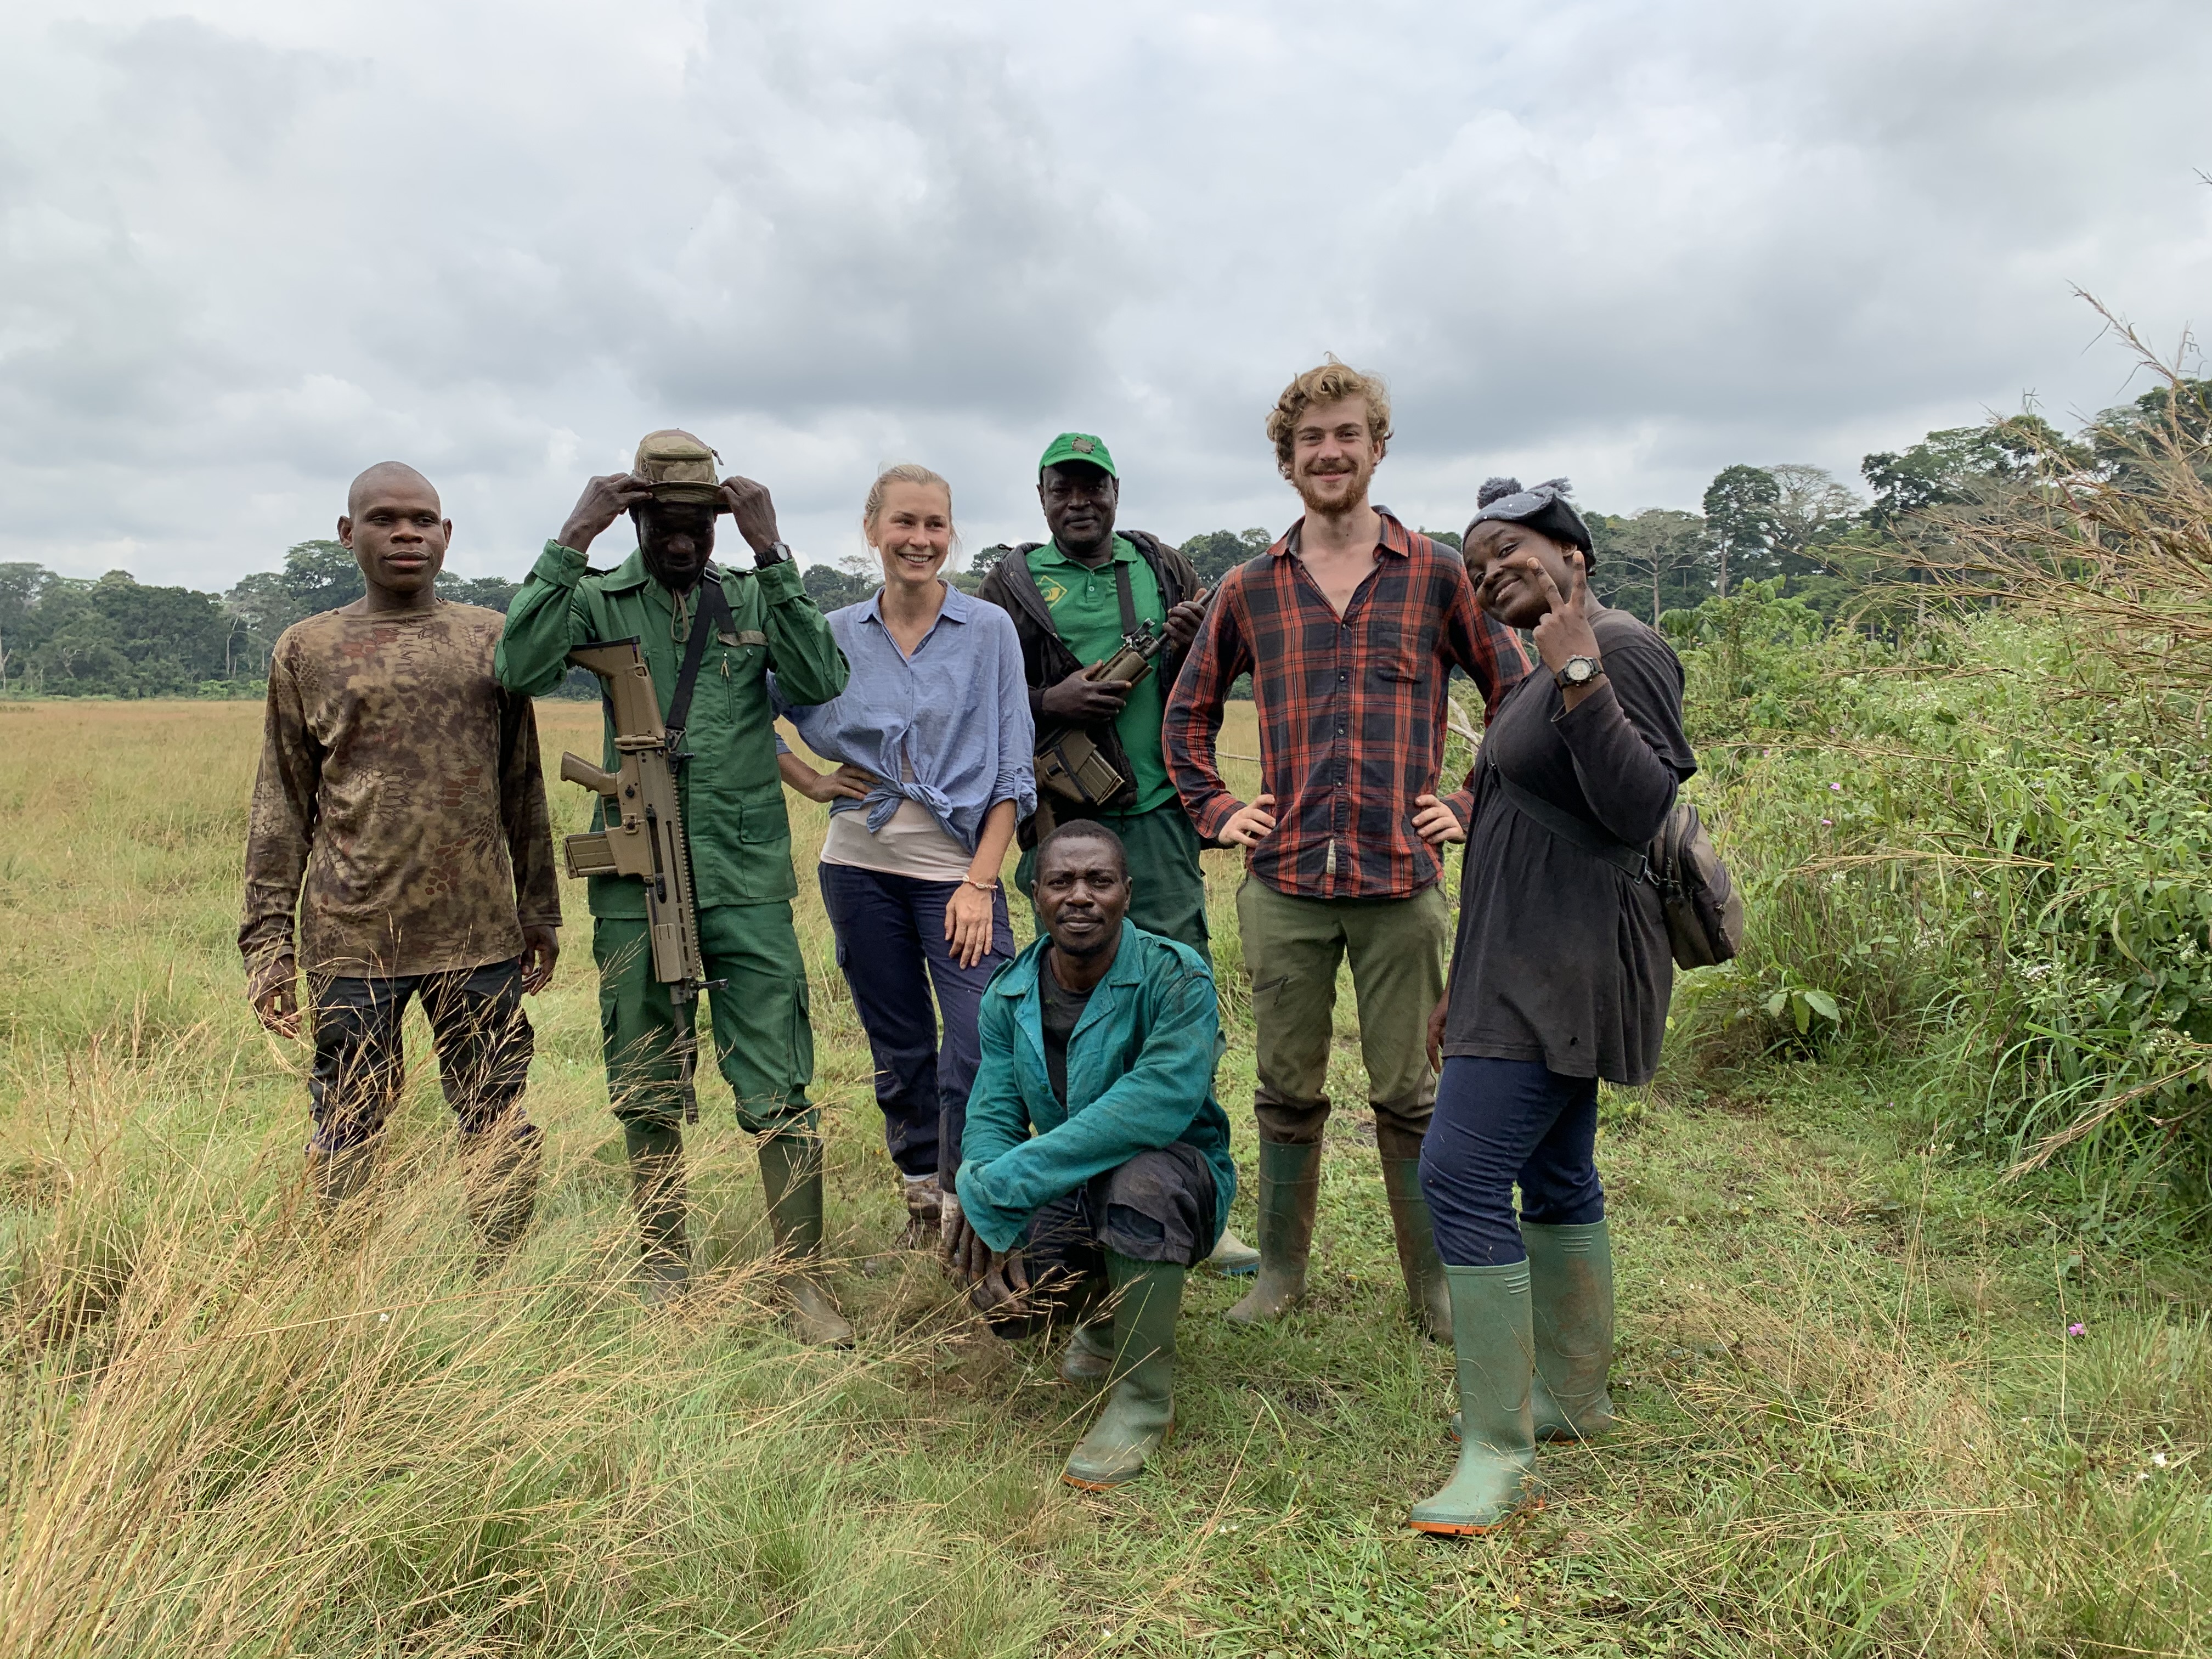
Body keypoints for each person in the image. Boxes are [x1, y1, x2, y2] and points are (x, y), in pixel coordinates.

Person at [1164, 359, 1534, 1341]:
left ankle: (1435, 1283)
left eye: (1347, 435)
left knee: (1411, 1091)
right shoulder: (1249, 587)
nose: (1329, 453)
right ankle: (1281, 1270)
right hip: (1282, 883)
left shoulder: (1439, 573)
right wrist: (1215, 809)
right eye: (1310, 440)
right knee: (1285, 1087)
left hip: (1399, 881)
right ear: (1287, 462)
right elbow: (1186, 716)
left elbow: (1517, 693)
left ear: (1377, 447)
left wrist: (1469, 798)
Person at [495, 430, 853, 1339]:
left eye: (701, 519)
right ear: (637, 513)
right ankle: (663, 1266)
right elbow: (517, 666)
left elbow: (821, 678)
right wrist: (572, 535)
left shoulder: (753, 594)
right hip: (633, 869)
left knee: (779, 1080)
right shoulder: (597, 597)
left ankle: (800, 1278)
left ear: (721, 520)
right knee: (646, 1077)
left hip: (740, 873)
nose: (683, 535)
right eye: (664, 517)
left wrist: (774, 553)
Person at [1406, 477, 1696, 1534]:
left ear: (1570, 547)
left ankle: (1496, 1447)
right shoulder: (1527, 679)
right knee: (1556, 1168)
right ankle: (1573, 1395)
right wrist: (1456, 982)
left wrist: (1578, 663)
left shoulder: (1623, 647)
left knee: (1459, 1170)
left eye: (1510, 548)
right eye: (1477, 566)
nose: (1489, 573)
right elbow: (1508, 836)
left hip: (1564, 965)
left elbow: (1636, 807)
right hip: (1509, 961)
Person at [240, 462, 561, 1266]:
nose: (407, 533)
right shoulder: (307, 649)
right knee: (348, 1118)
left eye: (424, 519)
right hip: (351, 935)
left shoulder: (492, 639)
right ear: (348, 535)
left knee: (496, 1111)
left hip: (479, 937)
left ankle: (498, 1276)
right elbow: (281, 804)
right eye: (384, 519)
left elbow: (522, 785)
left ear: (447, 535)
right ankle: (344, 1278)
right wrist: (267, 945)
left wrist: (539, 912)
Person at [975, 431, 1260, 1275]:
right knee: (1066, 1013)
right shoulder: (1014, 582)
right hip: (1064, 825)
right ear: (1041, 497)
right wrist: (1048, 697)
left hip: (1162, 812)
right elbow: (985, 693)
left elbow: (1218, 667)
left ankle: (1190, 1192)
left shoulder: (1162, 567)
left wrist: (1191, 635)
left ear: (1116, 492)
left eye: (1092, 487)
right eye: (1063, 489)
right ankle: (1070, 1186)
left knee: (1180, 1000)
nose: (1079, 502)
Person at [774, 464, 1032, 1249]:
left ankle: (972, 1192)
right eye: (905, 524)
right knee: (901, 1044)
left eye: (935, 526)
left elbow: (1014, 772)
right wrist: (814, 781)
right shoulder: (833, 633)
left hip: (958, 871)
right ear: (872, 530)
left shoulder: (988, 632)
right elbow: (745, 706)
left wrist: (980, 883)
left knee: (983, 1037)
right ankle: (924, 1192)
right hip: (858, 870)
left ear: (952, 535)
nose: (919, 540)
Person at [949, 820, 1235, 1489]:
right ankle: (1104, 1327)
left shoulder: (1176, 977)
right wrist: (986, 1195)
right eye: (1062, 881)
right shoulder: (1009, 993)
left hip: (1176, 1179)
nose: (1081, 896)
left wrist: (1007, 1183)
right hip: (1072, 1183)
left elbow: (1156, 1104)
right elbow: (991, 1115)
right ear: (1036, 895)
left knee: (1140, 1182)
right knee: (1010, 1297)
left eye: (1099, 881)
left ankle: (1143, 1399)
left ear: (1127, 894)